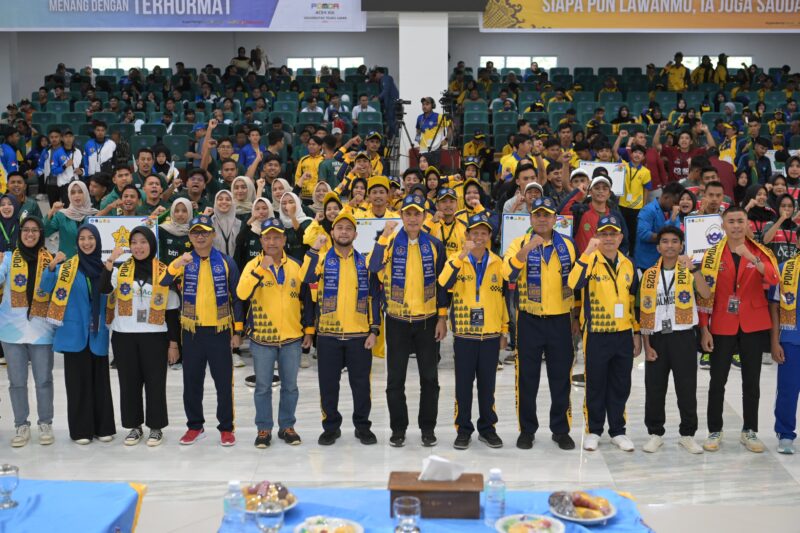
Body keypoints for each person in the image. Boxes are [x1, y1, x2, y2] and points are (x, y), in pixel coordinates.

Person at [698, 207, 779, 453]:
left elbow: (775, 279)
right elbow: (704, 296)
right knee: (717, 380)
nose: (735, 226)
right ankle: (715, 429)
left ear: (747, 225)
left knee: (751, 381)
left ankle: (750, 430)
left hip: (753, 323)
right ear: (723, 225)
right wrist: (704, 328)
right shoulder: (712, 255)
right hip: (722, 323)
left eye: (740, 221)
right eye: (730, 221)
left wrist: (752, 258)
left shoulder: (759, 252)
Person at [369, 194, 448, 448]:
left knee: (429, 379)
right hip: (397, 321)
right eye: (408, 213)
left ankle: (428, 428)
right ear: (401, 216)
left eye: (417, 214)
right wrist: (384, 235)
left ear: (424, 217)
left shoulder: (435, 244)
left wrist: (442, 317)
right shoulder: (389, 242)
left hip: (427, 321)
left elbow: (443, 285)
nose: (413, 218)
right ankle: (398, 429)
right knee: (395, 379)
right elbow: (372, 266)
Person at [160, 215, 244, 446]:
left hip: (219, 332)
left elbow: (237, 298)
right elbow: (163, 281)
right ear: (189, 236)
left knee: (224, 384)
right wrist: (178, 264)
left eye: (205, 232)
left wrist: (237, 331)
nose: (200, 236)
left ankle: (226, 428)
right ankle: (195, 426)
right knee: (192, 383)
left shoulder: (227, 262)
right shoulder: (183, 261)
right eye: (196, 232)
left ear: (213, 235)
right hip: (192, 332)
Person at [503, 197, 578, 450]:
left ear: (555, 218)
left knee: (561, 378)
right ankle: (527, 430)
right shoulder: (518, 243)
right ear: (531, 218)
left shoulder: (567, 245)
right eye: (538, 215)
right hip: (529, 320)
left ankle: (560, 429)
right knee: (526, 378)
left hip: (560, 320)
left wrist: (577, 318)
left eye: (547, 215)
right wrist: (528, 249)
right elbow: (507, 274)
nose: (542, 219)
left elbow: (577, 283)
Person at [301, 212, 379, 446]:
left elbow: (374, 297)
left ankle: (362, 426)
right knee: (328, 384)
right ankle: (331, 426)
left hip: (359, 335)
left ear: (355, 234)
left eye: (348, 228)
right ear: (332, 232)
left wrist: (374, 330)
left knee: (362, 385)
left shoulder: (364, 262)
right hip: (328, 334)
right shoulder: (322, 259)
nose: (344, 232)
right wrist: (314, 249)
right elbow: (305, 277)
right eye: (339, 228)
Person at [237, 218, 313, 449]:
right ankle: (264, 429)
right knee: (262, 387)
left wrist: (309, 330)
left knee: (290, 386)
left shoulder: (296, 265)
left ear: (284, 239)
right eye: (267, 237)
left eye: (277, 237)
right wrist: (261, 269)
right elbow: (241, 293)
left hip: (291, 338)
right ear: (261, 240)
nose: (272, 241)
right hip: (262, 338)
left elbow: (308, 299)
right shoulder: (253, 265)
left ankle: (287, 426)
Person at [101, 227, 180, 447]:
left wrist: (173, 343)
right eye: (134, 242)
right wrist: (110, 261)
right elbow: (103, 287)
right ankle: (134, 426)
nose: (138, 246)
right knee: (129, 383)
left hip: (155, 336)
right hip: (124, 335)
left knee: (156, 383)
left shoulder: (164, 271)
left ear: (152, 244)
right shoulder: (120, 270)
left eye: (143, 241)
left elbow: (172, 312)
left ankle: (156, 427)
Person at [568, 215, 641, 452]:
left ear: (620, 237)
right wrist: (588, 252)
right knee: (596, 384)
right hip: (596, 333)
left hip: (622, 334)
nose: (609, 238)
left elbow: (632, 301)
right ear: (597, 237)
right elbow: (573, 283)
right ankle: (594, 430)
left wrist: (636, 333)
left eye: (613, 234)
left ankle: (618, 430)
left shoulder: (628, 264)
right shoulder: (589, 260)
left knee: (621, 384)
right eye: (604, 234)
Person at [40, 224, 116, 444]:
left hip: (97, 333)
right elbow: (46, 287)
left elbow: (108, 294)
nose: (86, 242)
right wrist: (52, 267)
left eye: (91, 238)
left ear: (97, 241)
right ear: (77, 243)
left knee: (100, 383)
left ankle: (103, 427)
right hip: (74, 333)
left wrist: (110, 271)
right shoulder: (67, 267)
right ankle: (81, 430)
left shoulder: (104, 267)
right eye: (82, 238)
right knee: (77, 384)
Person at [439, 212, 507, 449]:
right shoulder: (456, 260)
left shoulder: (498, 263)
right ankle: (463, 429)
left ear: (489, 236)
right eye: (474, 233)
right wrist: (462, 256)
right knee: (463, 386)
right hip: (465, 334)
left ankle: (487, 428)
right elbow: (444, 282)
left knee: (488, 386)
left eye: (483, 233)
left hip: (489, 334)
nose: (478, 237)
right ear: (467, 235)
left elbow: (503, 299)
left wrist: (503, 330)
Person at [640, 226, 711, 454]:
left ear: (681, 245)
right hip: (658, 338)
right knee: (655, 388)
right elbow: (643, 311)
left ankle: (687, 434)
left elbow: (706, 294)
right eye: (665, 241)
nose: (669, 245)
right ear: (658, 246)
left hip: (683, 336)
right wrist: (647, 345)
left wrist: (695, 270)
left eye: (674, 241)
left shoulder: (688, 271)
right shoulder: (648, 274)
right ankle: (655, 433)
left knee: (686, 388)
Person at [0, 217, 55, 447]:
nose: (30, 234)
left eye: (35, 231)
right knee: (17, 382)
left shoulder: (49, 259)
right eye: (26, 230)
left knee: (43, 379)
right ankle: (21, 425)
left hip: (41, 329)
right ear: (19, 233)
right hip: (11, 329)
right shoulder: (9, 258)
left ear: (41, 234)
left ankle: (45, 423)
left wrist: (53, 270)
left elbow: (55, 290)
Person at [769, 236, 800, 454]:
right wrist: (774, 341)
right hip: (791, 339)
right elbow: (774, 307)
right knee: (788, 390)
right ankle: (785, 434)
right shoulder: (784, 269)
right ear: (797, 242)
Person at [635, 182, 685, 271]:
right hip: (648, 262)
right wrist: (666, 237)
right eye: (674, 202)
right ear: (665, 197)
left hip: (668, 261)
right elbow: (643, 234)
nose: (676, 206)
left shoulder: (673, 211)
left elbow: (676, 232)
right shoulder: (648, 210)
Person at [45, 181, 99, 258]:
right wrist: (52, 211)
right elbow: (46, 232)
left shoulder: (95, 215)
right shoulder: (61, 215)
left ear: (86, 193)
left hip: (89, 262)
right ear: (69, 195)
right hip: (67, 264)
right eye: (73, 193)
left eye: (80, 192)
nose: (76, 195)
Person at [158, 198, 194, 262]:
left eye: (184, 211)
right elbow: (147, 227)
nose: (180, 214)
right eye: (177, 211)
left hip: (187, 271)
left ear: (190, 212)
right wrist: (154, 215)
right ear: (172, 212)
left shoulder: (194, 232)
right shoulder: (162, 229)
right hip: (166, 271)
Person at [211, 190, 242, 258]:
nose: (224, 202)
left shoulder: (239, 224)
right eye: (220, 199)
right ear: (215, 202)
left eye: (228, 199)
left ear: (233, 202)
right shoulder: (210, 223)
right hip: (214, 264)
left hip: (235, 265)